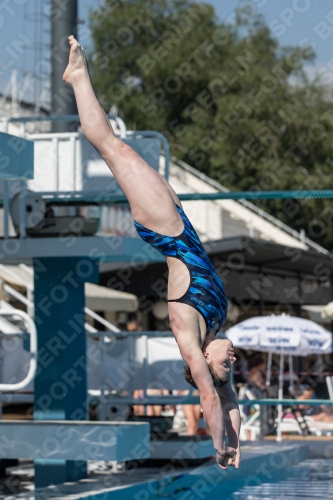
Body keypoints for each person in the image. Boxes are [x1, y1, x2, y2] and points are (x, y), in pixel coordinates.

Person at [63, 36, 240, 469]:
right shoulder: (213, 333)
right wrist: (240, 443)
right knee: (118, 150)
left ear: (206, 366)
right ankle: (80, 81)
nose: (232, 361)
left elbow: (210, 398)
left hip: (164, 228)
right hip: (179, 221)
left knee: (111, 147)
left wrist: (220, 448)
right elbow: (229, 399)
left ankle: (78, 78)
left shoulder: (191, 339)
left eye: (226, 366)